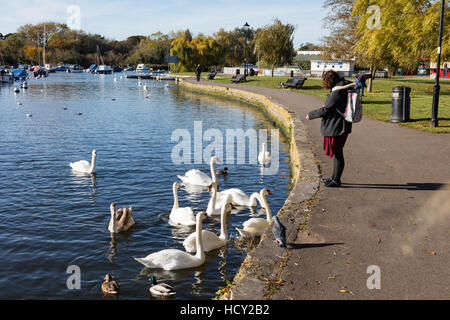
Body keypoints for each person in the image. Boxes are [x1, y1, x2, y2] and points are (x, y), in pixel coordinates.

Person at [306, 70, 355, 187]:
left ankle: (336, 180)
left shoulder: (338, 92)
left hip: (338, 126)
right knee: (337, 153)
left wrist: (310, 115)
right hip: (341, 125)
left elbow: (326, 109)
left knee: (338, 153)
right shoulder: (342, 87)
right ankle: (334, 178)